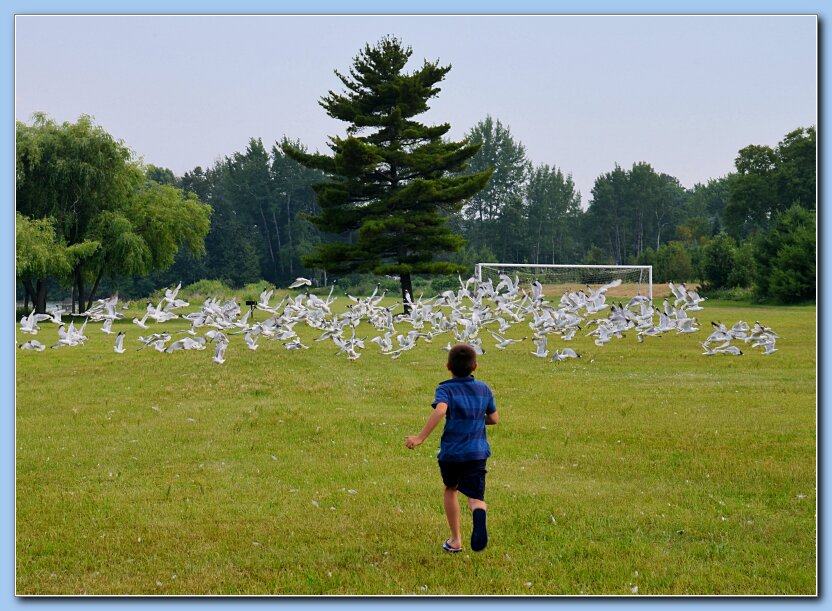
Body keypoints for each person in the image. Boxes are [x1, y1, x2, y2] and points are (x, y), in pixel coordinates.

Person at [405, 343, 499, 553]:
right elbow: (494, 418)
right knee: (476, 498)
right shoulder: (484, 388)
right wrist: (475, 418)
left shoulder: (445, 388)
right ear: (475, 366)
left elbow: (440, 410)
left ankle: (456, 540)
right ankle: (479, 511)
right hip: (477, 453)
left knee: (451, 488)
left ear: (448, 366)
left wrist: (420, 437)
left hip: (452, 453)